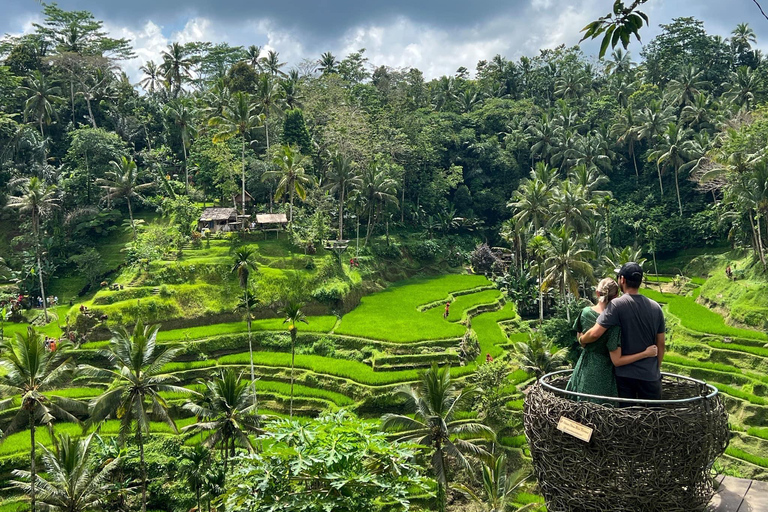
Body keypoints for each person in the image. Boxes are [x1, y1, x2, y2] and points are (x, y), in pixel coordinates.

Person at [580, 263, 666, 402]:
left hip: (626, 377)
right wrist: (655, 369)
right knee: (652, 419)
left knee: (627, 420)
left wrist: (582, 340)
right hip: (651, 377)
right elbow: (660, 344)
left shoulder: (617, 305)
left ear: (622, 280)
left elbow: (595, 333)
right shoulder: (656, 307)